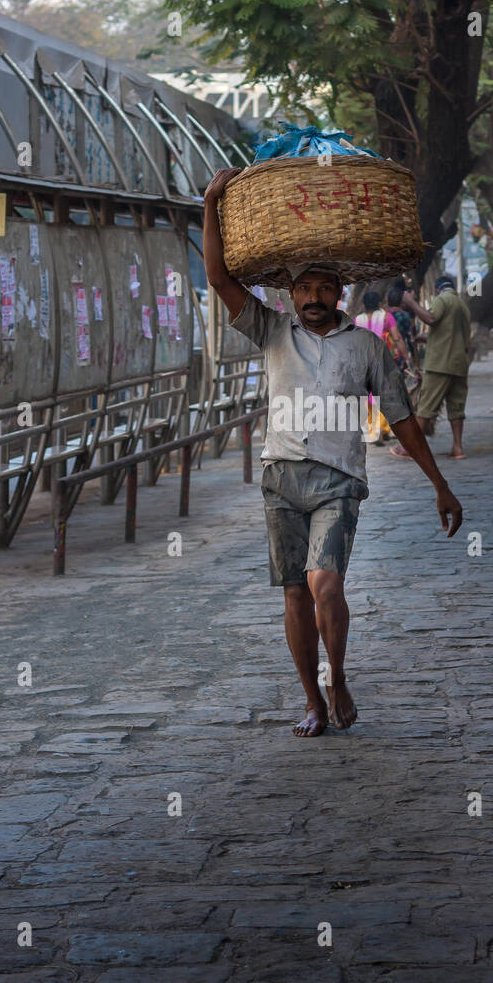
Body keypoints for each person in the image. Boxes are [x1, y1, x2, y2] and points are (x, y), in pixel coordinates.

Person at [202, 168, 463, 738]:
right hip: (281, 480)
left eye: (324, 289)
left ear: (339, 294)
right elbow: (220, 277)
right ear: (290, 295)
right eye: (305, 289)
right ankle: (311, 700)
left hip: (339, 481)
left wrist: (439, 484)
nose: (314, 298)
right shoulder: (272, 331)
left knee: (325, 584)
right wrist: (211, 203)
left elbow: (403, 420)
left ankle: (337, 676)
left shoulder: (366, 347)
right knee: (294, 593)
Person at [396, 274, 472, 460]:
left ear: (438, 289)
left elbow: (431, 318)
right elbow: (451, 334)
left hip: (440, 364)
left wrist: (411, 302)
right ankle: (457, 448)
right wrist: (427, 338)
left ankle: (410, 449)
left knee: (426, 407)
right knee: (457, 408)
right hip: (459, 363)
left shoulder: (442, 300)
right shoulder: (462, 305)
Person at [354, 289, 408, 442]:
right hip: (383, 361)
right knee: (383, 394)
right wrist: (406, 356)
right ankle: (381, 428)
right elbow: (397, 337)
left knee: (367, 395)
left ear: (364, 305)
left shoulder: (357, 320)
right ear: (379, 303)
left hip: (363, 362)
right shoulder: (386, 317)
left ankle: (372, 431)